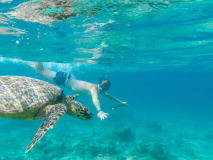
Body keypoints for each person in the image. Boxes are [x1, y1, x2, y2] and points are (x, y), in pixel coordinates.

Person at [25, 62, 128, 120]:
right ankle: (38, 56)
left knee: (40, 70)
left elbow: (109, 96)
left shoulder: (99, 90)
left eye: (106, 87)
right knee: (40, 70)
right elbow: (95, 99)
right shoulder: (94, 88)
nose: (103, 87)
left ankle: (25, 62)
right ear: (99, 82)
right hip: (64, 79)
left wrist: (121, 102)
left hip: (67, 79)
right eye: (103, 84)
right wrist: (99, 110)